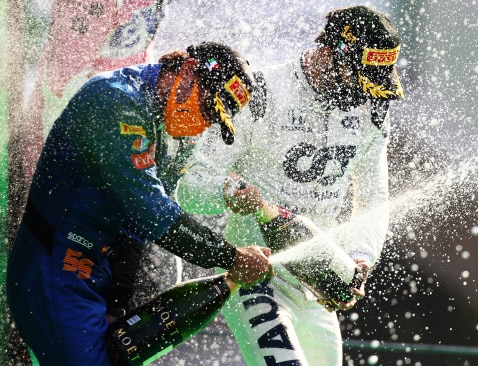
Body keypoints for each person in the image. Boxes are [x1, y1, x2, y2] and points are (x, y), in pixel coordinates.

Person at [5, 41, 274, 366]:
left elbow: (136, 232)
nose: (203, 124)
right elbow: (154, 215)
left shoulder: (174, 131)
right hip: (54, 266)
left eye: (213, 120)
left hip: (95, 272)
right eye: (206, 108)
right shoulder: (116, 98)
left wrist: (116, 306)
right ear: (188, 71)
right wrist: (230, 257)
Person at [176, 6, 403, 365]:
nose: (365, 92)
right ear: (330, 54)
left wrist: (361, 258)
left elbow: (374, 197)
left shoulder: (373, 108)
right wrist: (228, 194)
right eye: (358, 76)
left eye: (374, 78)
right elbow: (189, 188)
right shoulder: (261, 93)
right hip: (256, 275)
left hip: (315, 281)